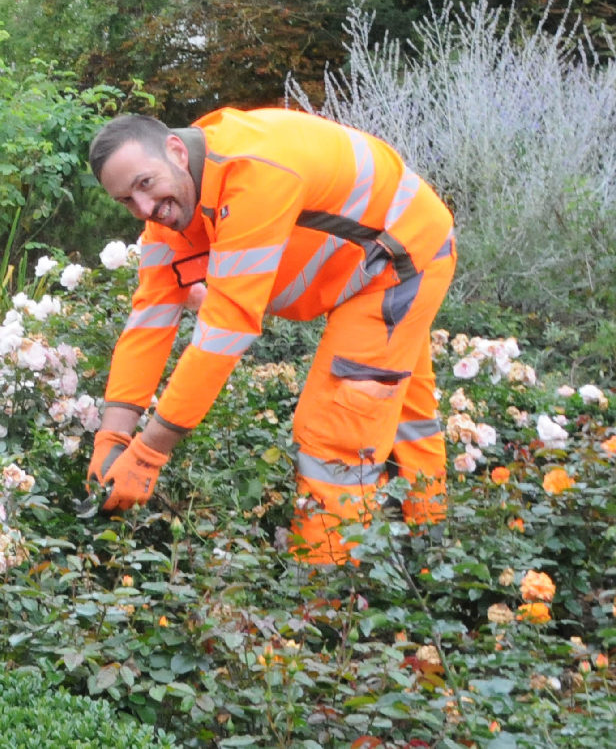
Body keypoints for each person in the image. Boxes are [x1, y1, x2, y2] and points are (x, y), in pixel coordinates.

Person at [84, 109, 455, 564]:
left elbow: (225, 329)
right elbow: (148, 323)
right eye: (127, 201)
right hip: (362, 268)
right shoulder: (171, 214)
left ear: (177, 152)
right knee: (403, 417)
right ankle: (432, 548)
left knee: (335, 431)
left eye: (144, 184)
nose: (144, 209)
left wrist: (148, 453)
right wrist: (111, 439)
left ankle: (329, 592)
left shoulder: (253, 175)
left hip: (400, 261)